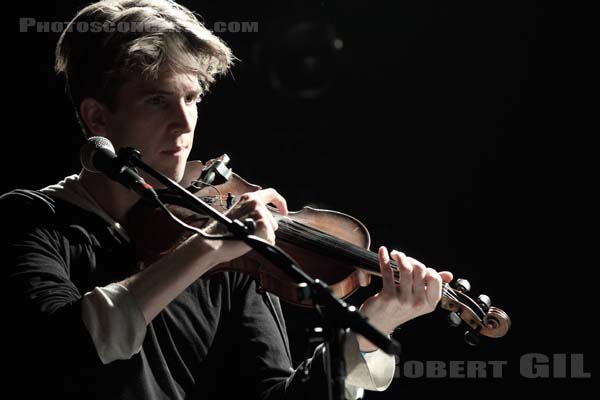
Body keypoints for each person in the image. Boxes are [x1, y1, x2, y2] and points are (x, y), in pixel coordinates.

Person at [1, 1, 453, 399]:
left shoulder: (233, 254)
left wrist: (371, 331)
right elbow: (63, 353)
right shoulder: (31, 220)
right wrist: (209, 245)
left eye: (192, 98)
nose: (183, 126)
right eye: (158, 100)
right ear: (97, 115)